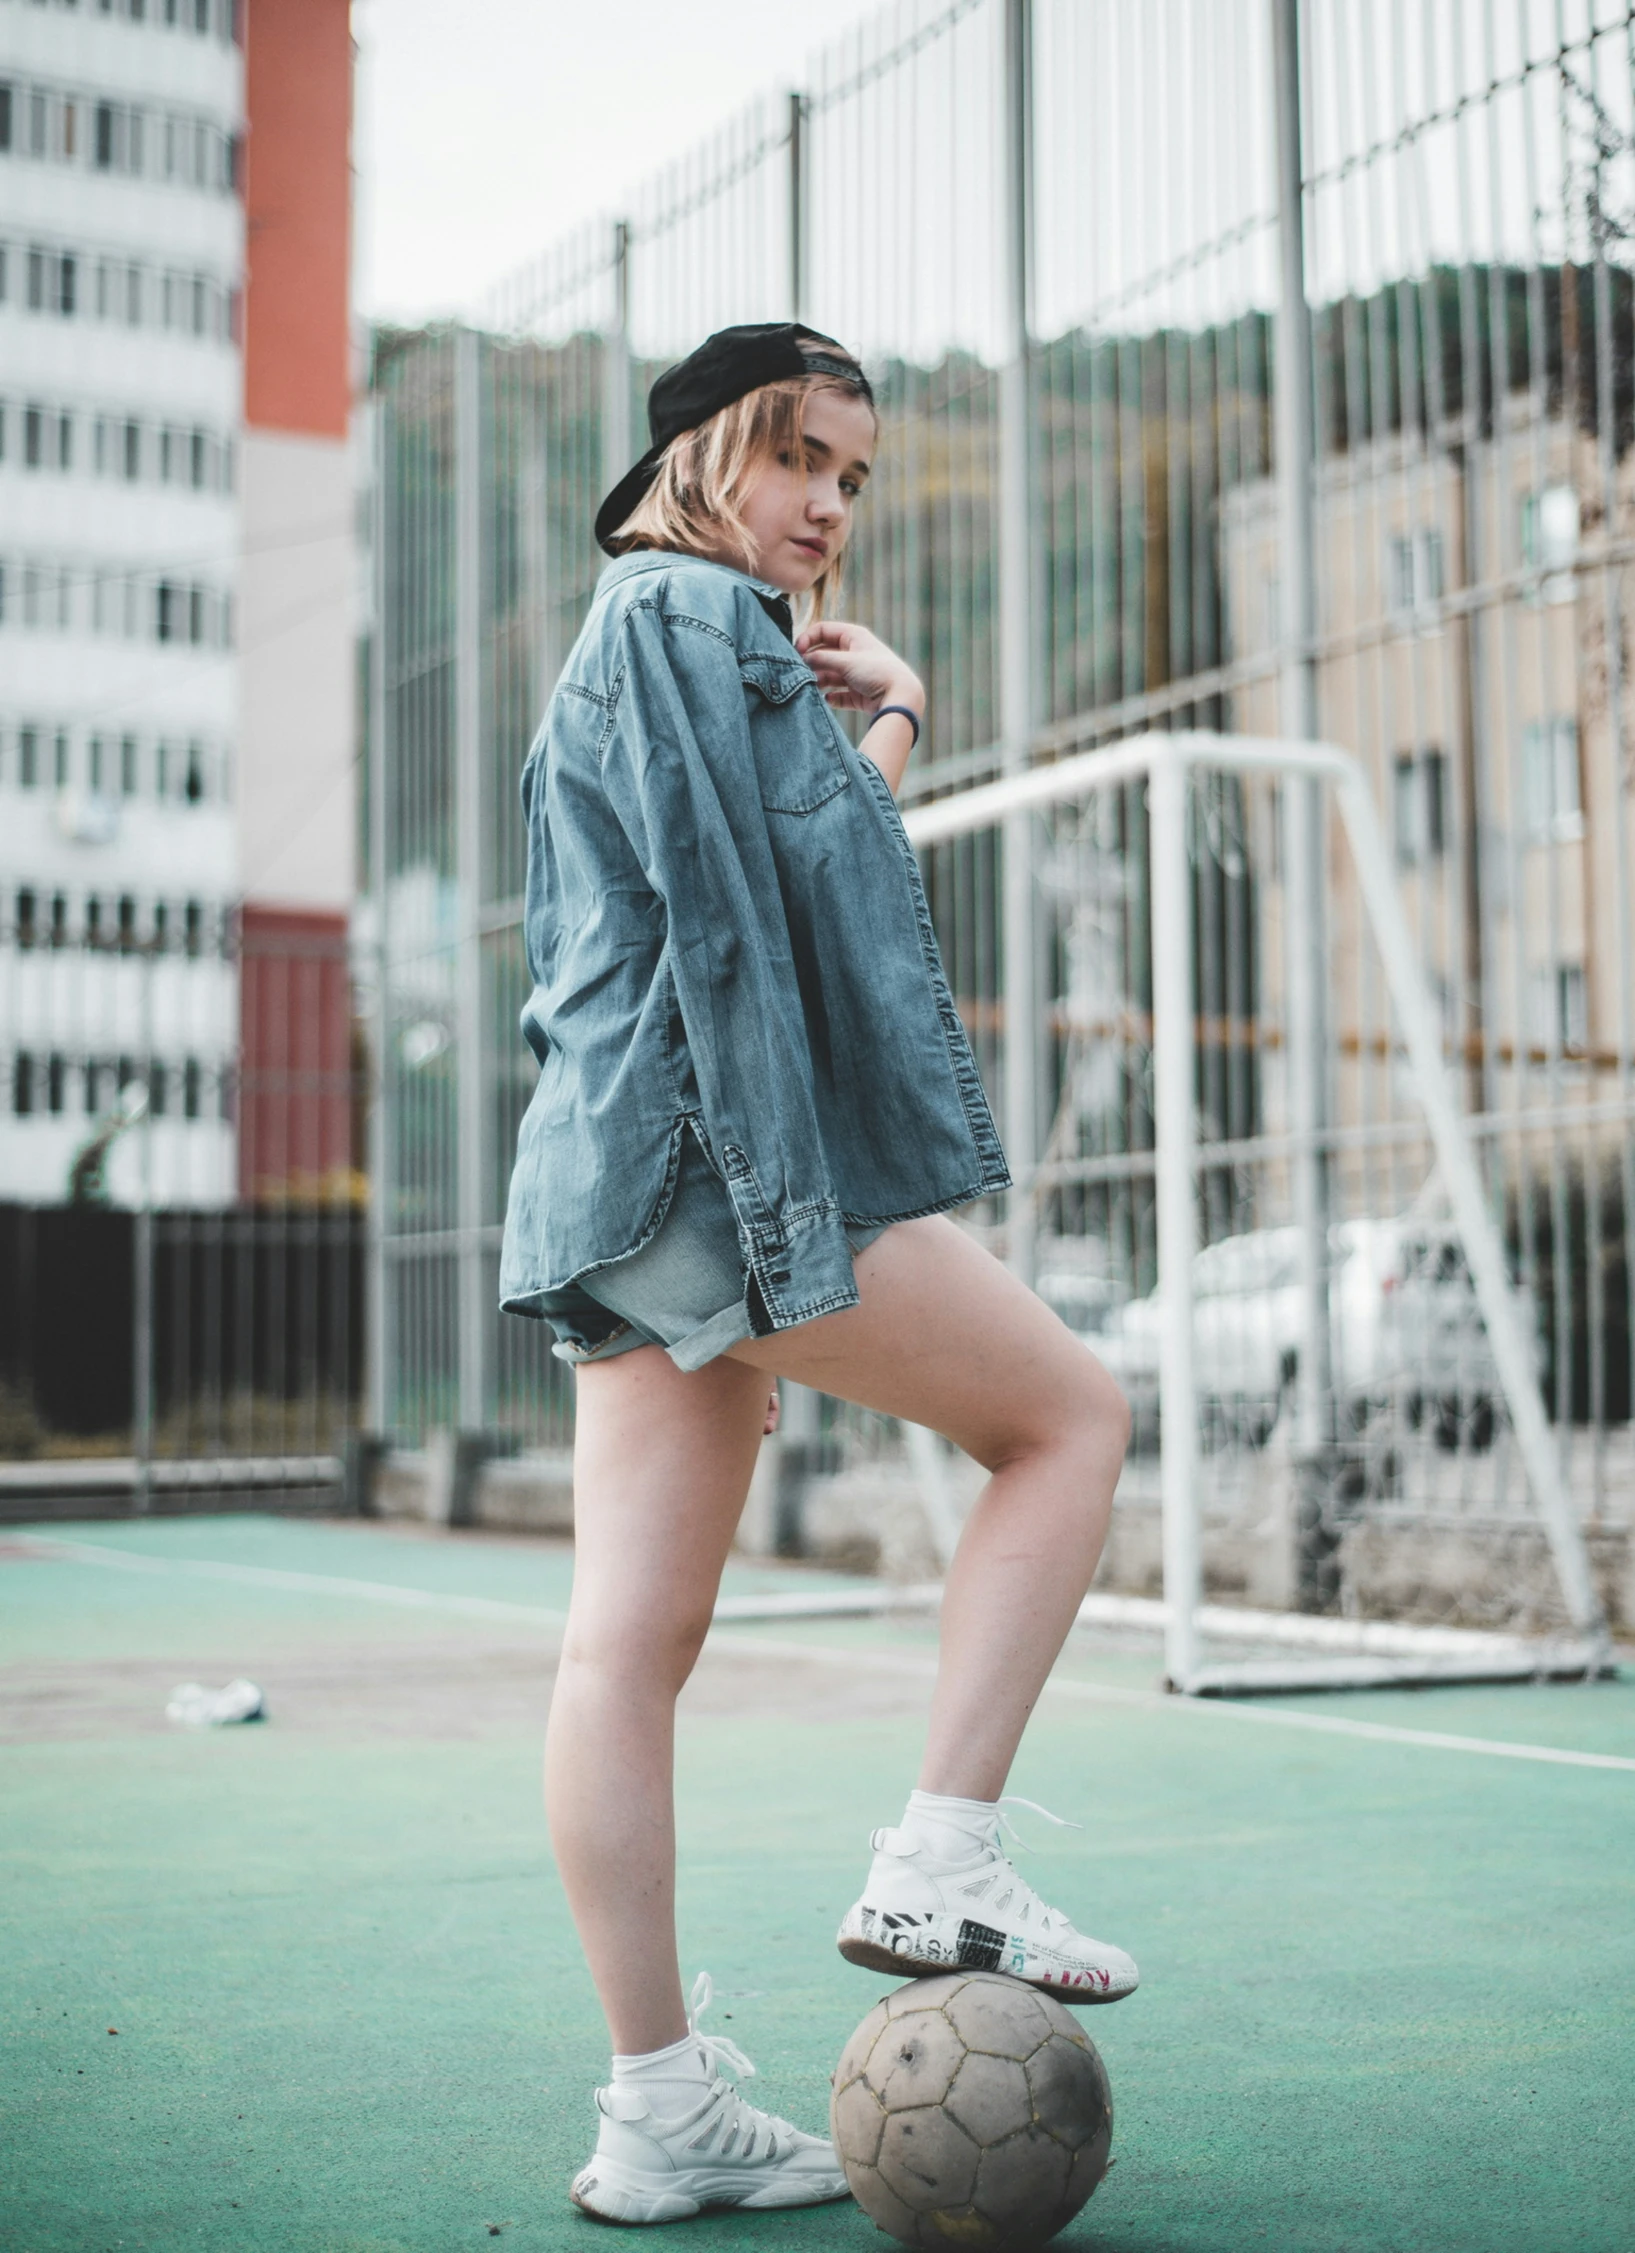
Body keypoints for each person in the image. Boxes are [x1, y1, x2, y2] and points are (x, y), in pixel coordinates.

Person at [499, 322, 1135, 2226]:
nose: (825, 508)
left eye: (853, 480)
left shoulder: (631, 637)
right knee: (1070, 1420)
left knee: (627, 1648)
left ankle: (655, 2112)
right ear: (703, 448)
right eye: (801, 458)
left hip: (618, 1184)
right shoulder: (686, 615)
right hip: (720, 1160)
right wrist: (897, 715)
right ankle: (943, 1850)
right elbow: (790, 901)